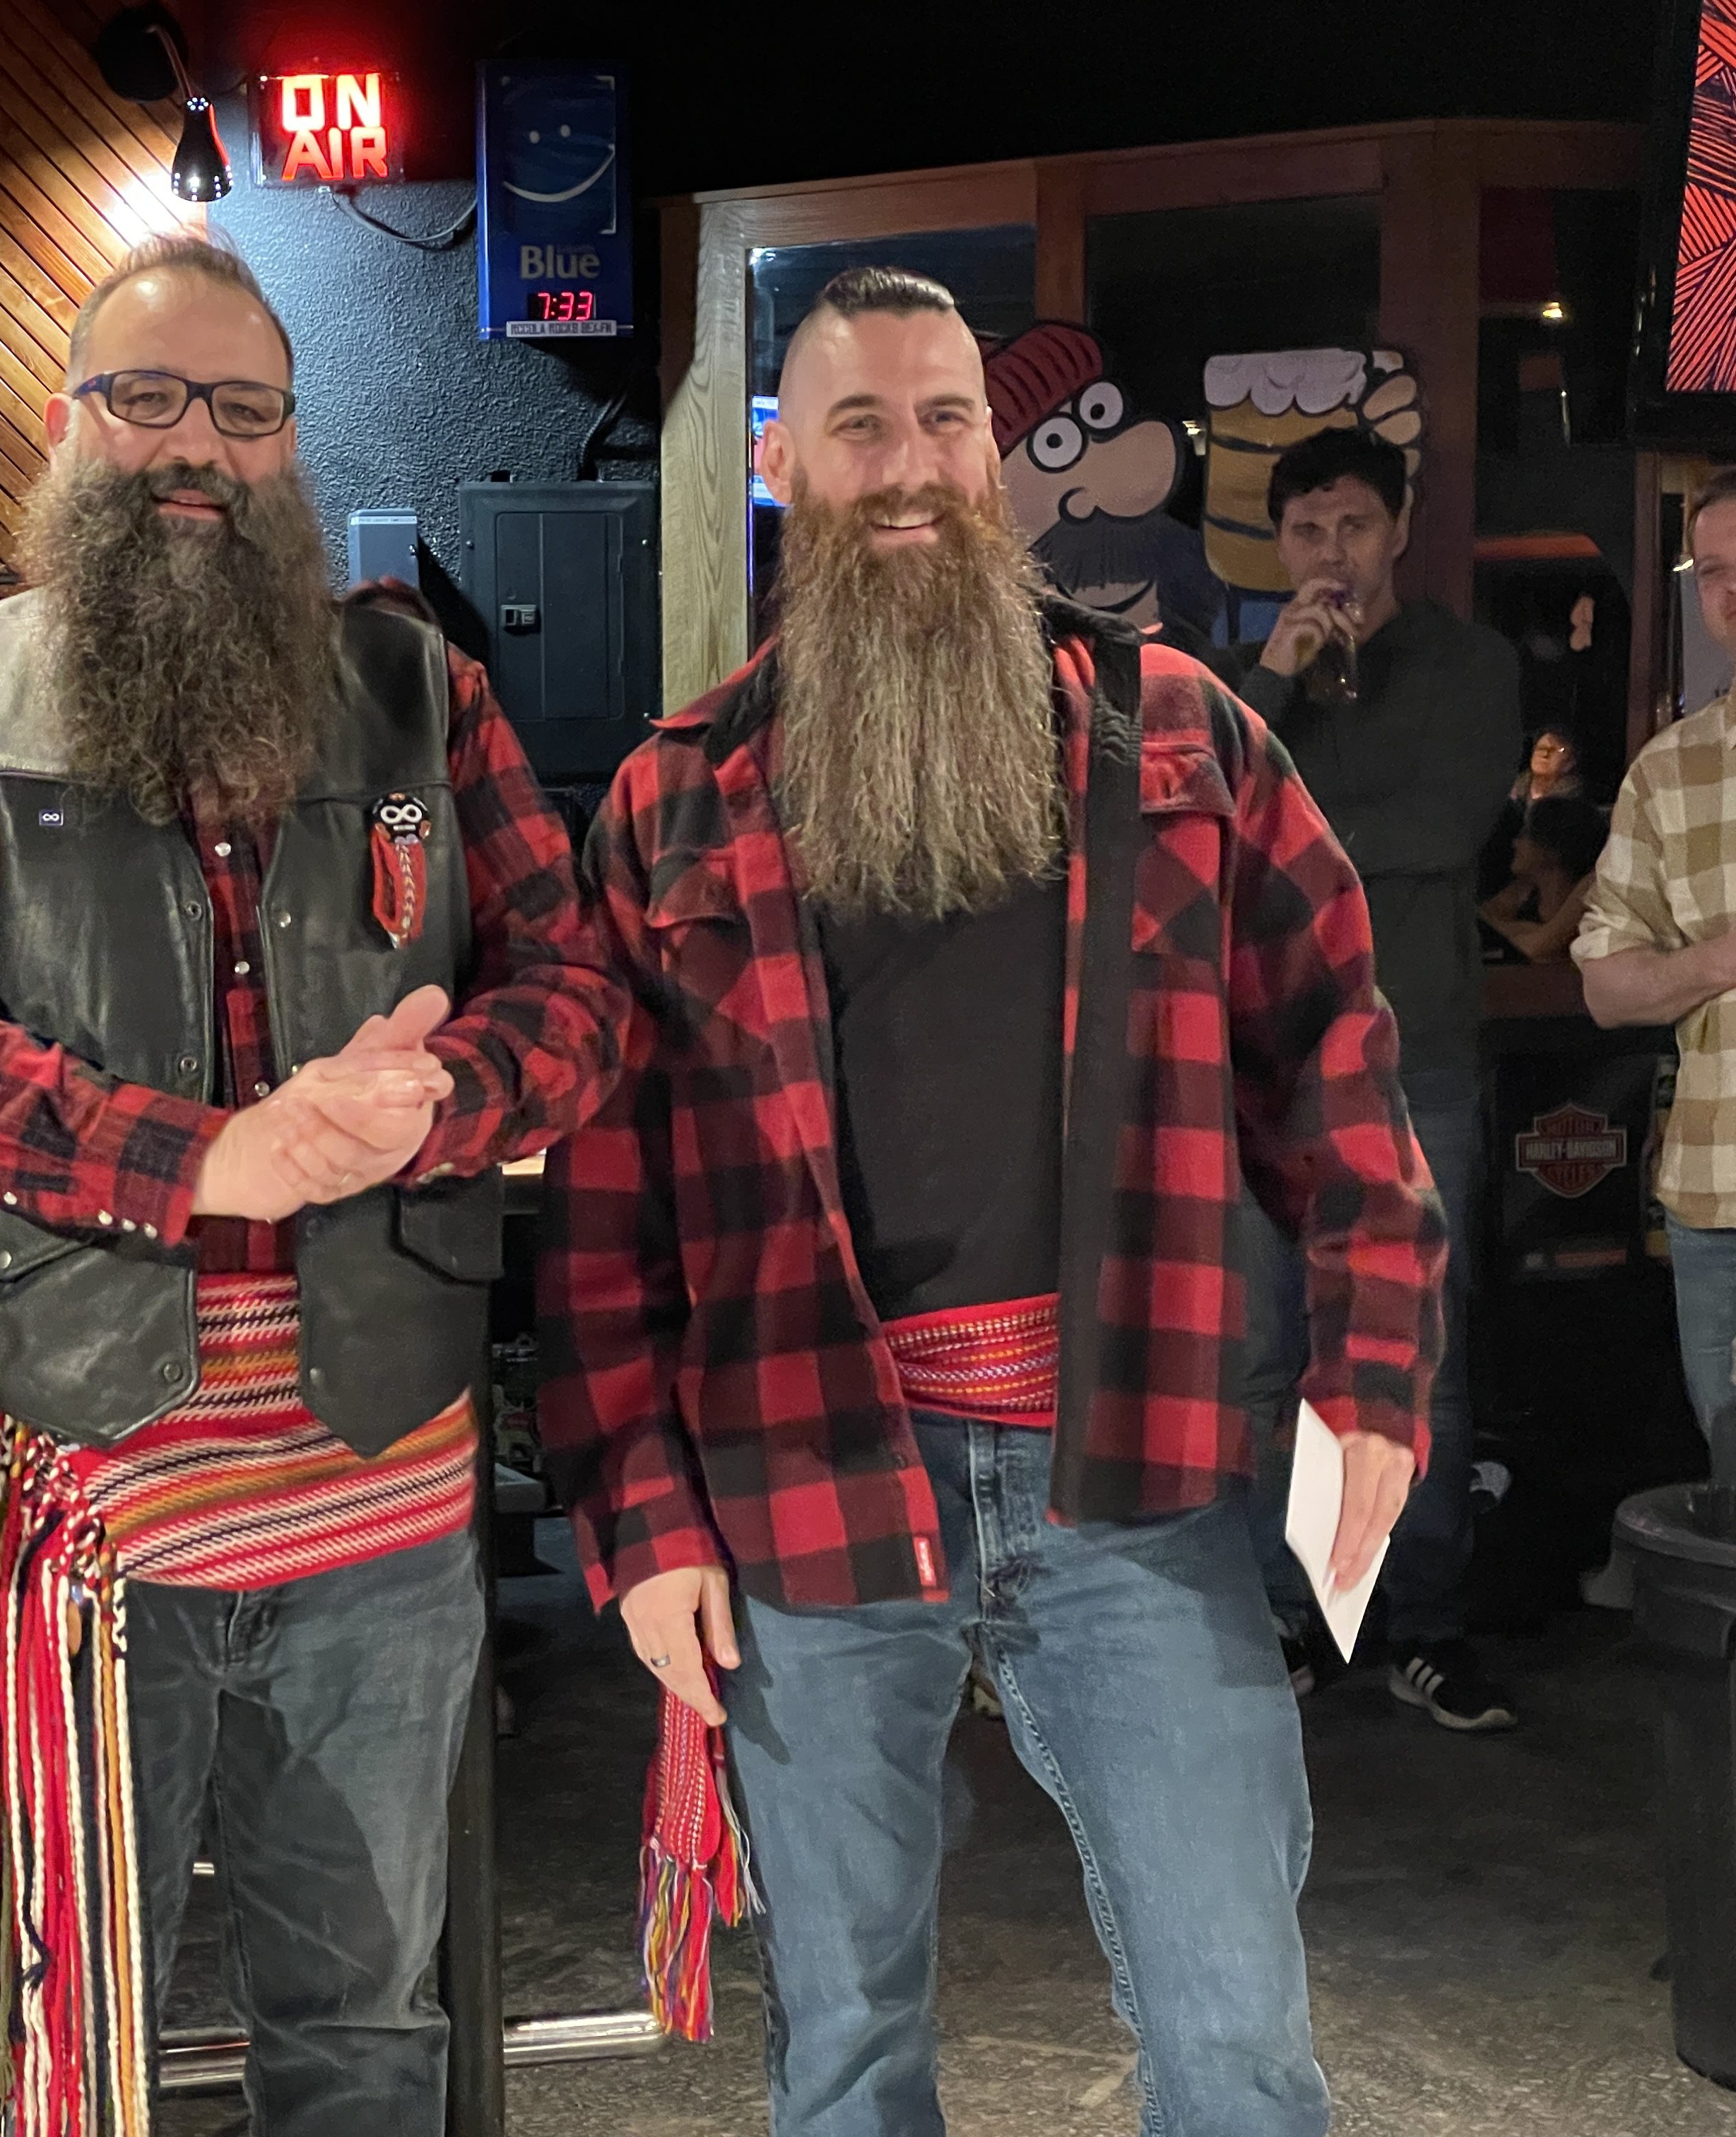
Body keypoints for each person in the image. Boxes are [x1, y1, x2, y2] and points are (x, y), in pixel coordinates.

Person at [541, 266, 1444, 2137]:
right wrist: (642, 1519)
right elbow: (606, 1213)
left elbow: (1340, 1065)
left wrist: (1376, 1366)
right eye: (860, 425)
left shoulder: (1184, 737)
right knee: (847, 2047)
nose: (910, 466)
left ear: (1001, 459)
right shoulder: (675, 795)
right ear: (784, 461)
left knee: (1239, 2036)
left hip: (1134, 1469)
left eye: (947, 421)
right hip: (804, 1481)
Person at [0, 233, 626, 2136]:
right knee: (53, 2030)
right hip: (72, 1483)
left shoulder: (419, 697)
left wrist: (426, 1106)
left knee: (363, 2021)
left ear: (290, 442)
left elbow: (585, 991)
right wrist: (210, 1161)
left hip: (380, 1479)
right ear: (67, 428)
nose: (198, 447)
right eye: (150, 400)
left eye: (246, 410)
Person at [1217, 423, 1520, 1731]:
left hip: (1416, 1059)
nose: (1327, 552)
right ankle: (1288, 1612)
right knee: (1266, 1353)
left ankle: (1425, 1623)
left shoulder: (1468, 664)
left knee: (1417, 1357)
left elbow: (1442, 828)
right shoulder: (1249, 681)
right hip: (1272, 1069)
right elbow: (1199, 820)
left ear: (1397, 524)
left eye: (1349, 524)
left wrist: (1290, 840)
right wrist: (1274, 680)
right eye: (1303, 531)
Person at [1578, 466, 1736, 1483]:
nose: (1733, 593)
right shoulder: (1669, 769)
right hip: (1717, 1198)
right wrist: (1723, 959)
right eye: (1716, 571)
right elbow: (1604, 986)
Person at [1480, 794, 1606, 963]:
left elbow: (1534, 948)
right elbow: (1482, 919)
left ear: (1550, 850)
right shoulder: (1526, 886)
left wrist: (1526, 932)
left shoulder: (1591, 892)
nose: (1515, 843)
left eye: (1526, 835)